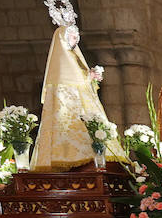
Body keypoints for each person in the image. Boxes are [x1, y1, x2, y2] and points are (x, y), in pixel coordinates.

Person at [32, 18, 130, 171]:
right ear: (63, 37)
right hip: (67, 108)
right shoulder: (61, 57)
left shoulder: (75, 56)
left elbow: (81, 80)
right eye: (72, 35)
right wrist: (88, 77)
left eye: (77, 35)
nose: (76, 38)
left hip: (82, 104)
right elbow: (70, 78)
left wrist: (92, 78)